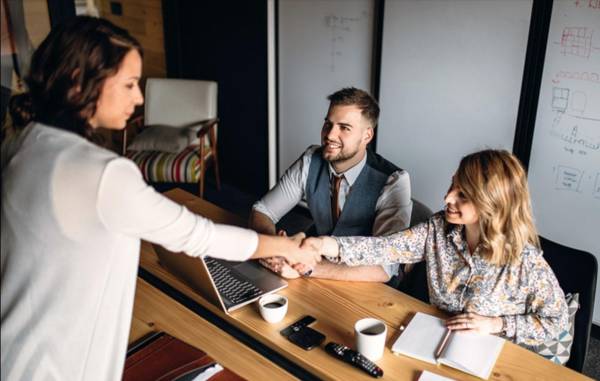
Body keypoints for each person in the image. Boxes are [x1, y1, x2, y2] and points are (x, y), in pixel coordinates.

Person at [0, 17, 319, 381]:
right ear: (78, 81)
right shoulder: (102, 174)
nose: (138, 98)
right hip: (56, 367)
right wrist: (291, 250)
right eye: (130, 84)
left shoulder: (20, 143)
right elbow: (199, 236)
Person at [303, 149, 569, 352]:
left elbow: (556, 322)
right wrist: (325, 244)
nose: (447, 198)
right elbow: (386, 247)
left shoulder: (524, 260)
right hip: (433, 338)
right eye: (453, 184)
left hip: (494, 354)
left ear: (492, 204)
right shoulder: (438, 228)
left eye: (462, 195)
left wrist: (496, 324)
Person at [250, 87, 412, 282]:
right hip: (312, 267)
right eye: (328, 124)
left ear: (367, 136)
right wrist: (276, 249)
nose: (330, 135)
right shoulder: (311, 159)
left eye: (344, 128)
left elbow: (383, 268)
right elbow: (263, 210)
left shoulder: (394, 181)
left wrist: (306, 267)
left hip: (365, 283)